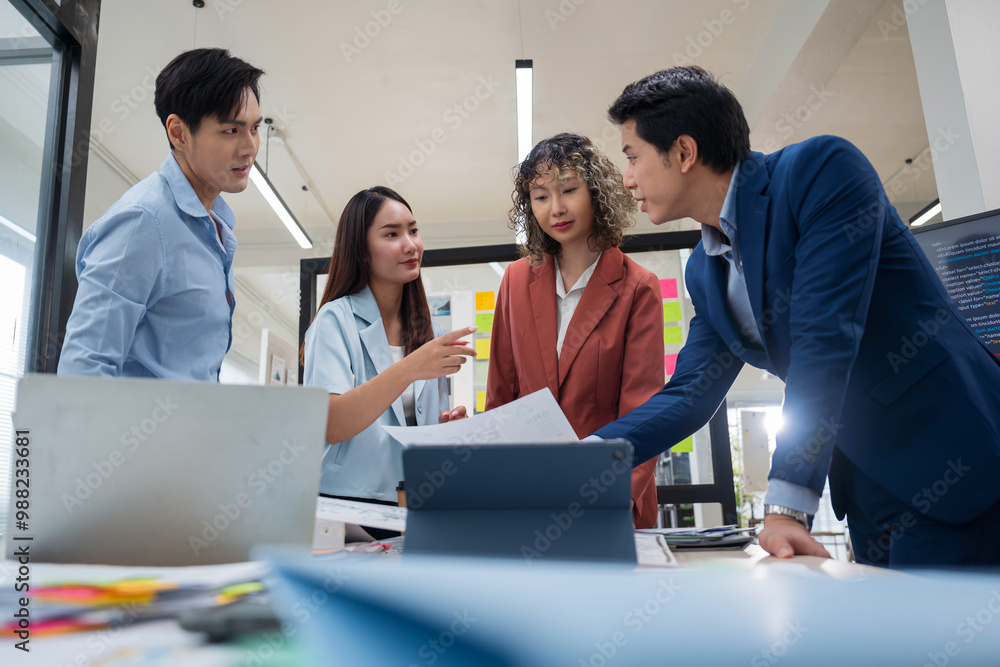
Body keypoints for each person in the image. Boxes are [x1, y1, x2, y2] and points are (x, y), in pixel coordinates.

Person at [594, 66, 1000, 567]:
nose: (628, 178)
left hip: (951, 456)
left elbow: (824, 335)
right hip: (867, 484)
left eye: (632, 157)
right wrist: (586, 453)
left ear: (683, 152)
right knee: (900, 642)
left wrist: (786, 504)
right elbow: (690, 394)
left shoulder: (819, 171)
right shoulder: (704, 268)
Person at [486, 133, 665, 529]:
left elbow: (643, 411)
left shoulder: (638, 286)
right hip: (529, 494)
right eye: (540, 196)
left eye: (569, 189)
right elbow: (502, 397)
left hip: (609, 497)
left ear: (597, 193)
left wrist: (609, 496)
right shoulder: (515, 280)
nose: (556, 208)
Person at [58, 48, 264, 380]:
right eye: (231, 130)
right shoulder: (144, 222)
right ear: (179, 133)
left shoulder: (215, 226)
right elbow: (84, 368)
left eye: (255, 128)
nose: (250, 146)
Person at [302, 186, 475, 528]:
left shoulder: (432, 333)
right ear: (361, 251)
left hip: (416, 502)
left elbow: (418, 432)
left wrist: (447, 431)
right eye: (392, 234)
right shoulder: (335, 320)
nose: (410, 245)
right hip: (347, 504)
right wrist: (410, 368)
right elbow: (333, 424)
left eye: (413, 230)